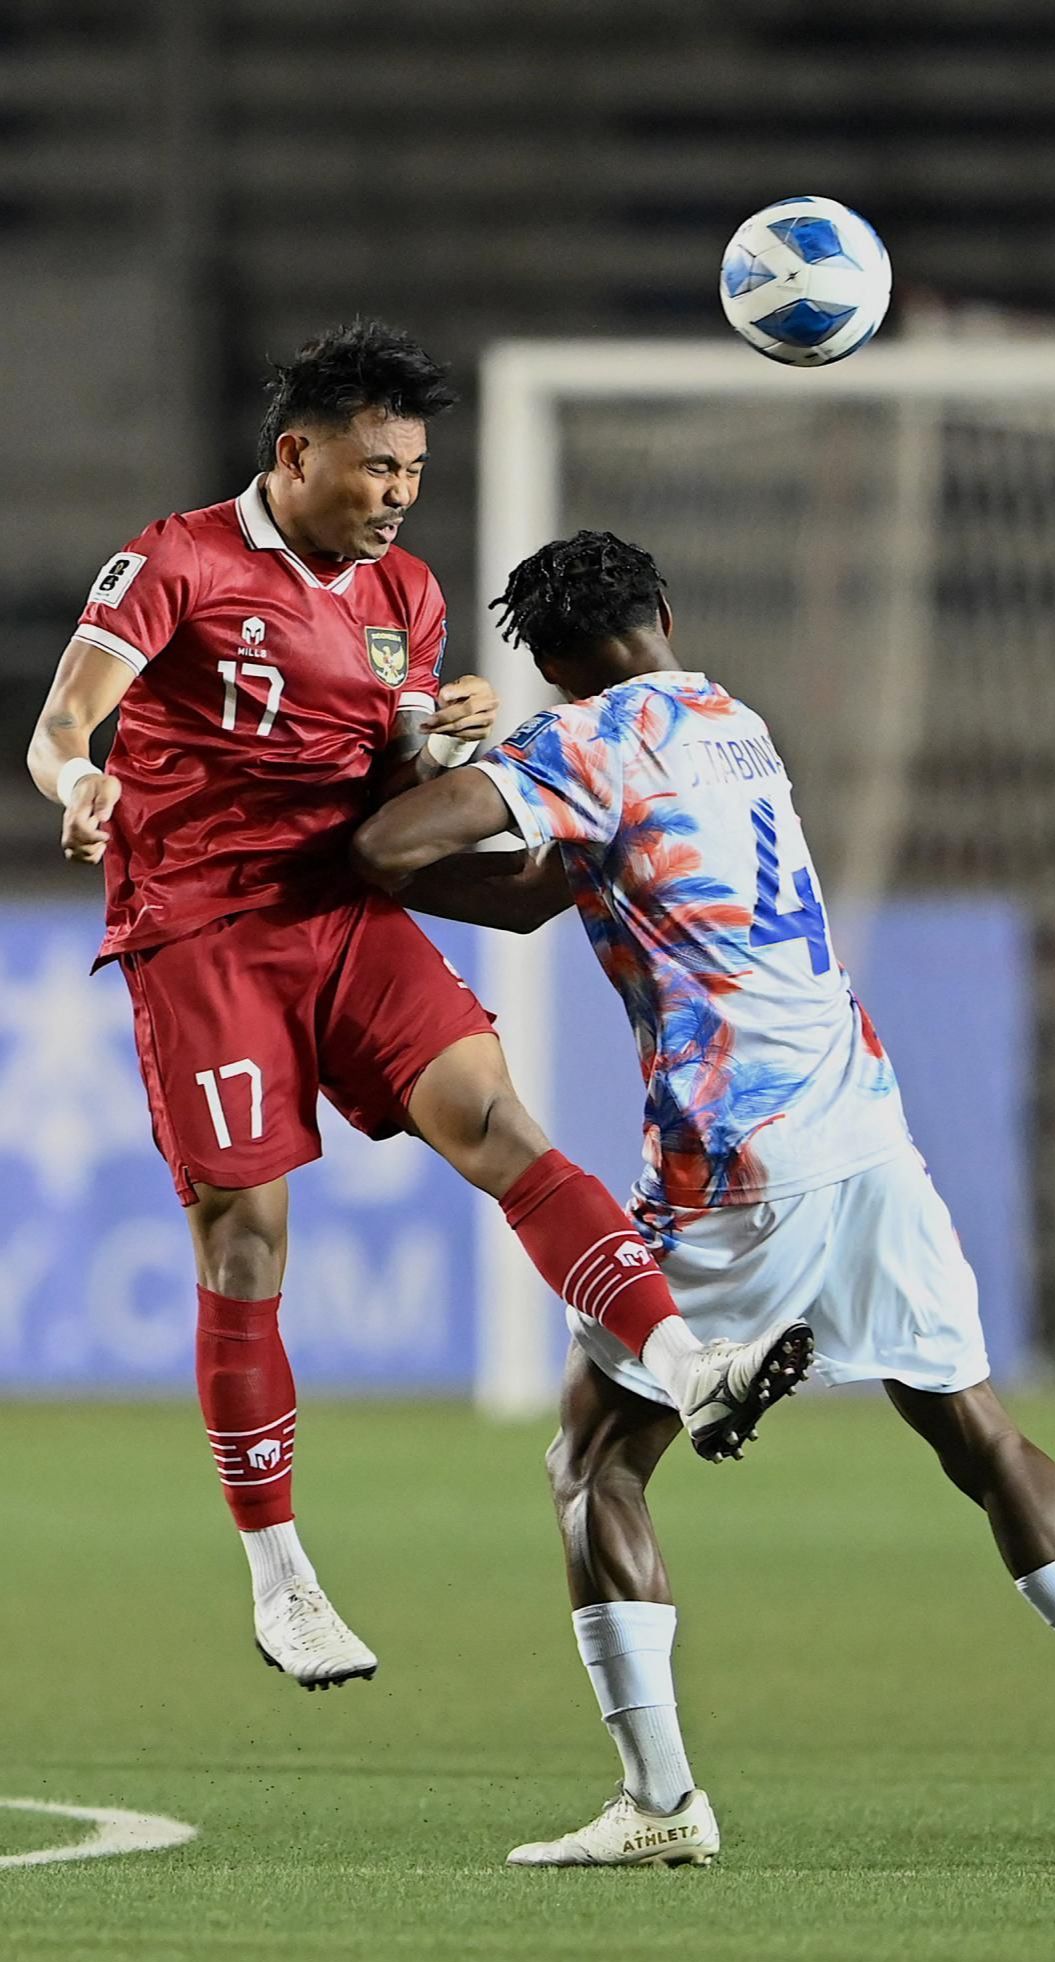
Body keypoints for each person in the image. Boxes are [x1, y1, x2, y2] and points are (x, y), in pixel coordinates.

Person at [26, 333, 803, 1696]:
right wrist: (80, 783)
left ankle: (688, 1366)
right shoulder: (177, 561)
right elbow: (63, 722)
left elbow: (386, 785)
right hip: (203, 932)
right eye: (377, 465)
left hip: (344, 915)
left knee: (496, 1120)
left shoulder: (407, 594)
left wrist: (442, 740)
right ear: (298, 454)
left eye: (415, 470)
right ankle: (280, 1574)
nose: (398, 491)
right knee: (248, 1244)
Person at [352, 527, 1055, 1867]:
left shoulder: (580, 740)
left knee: (590, 1462)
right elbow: (542, 897)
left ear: (546, 667)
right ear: (659, 609)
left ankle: (658, 1805)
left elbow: (384, 848)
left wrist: (404, 779)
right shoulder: (725, 716)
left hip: (734, 1155)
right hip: (862, 1122)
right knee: (975, 1430)